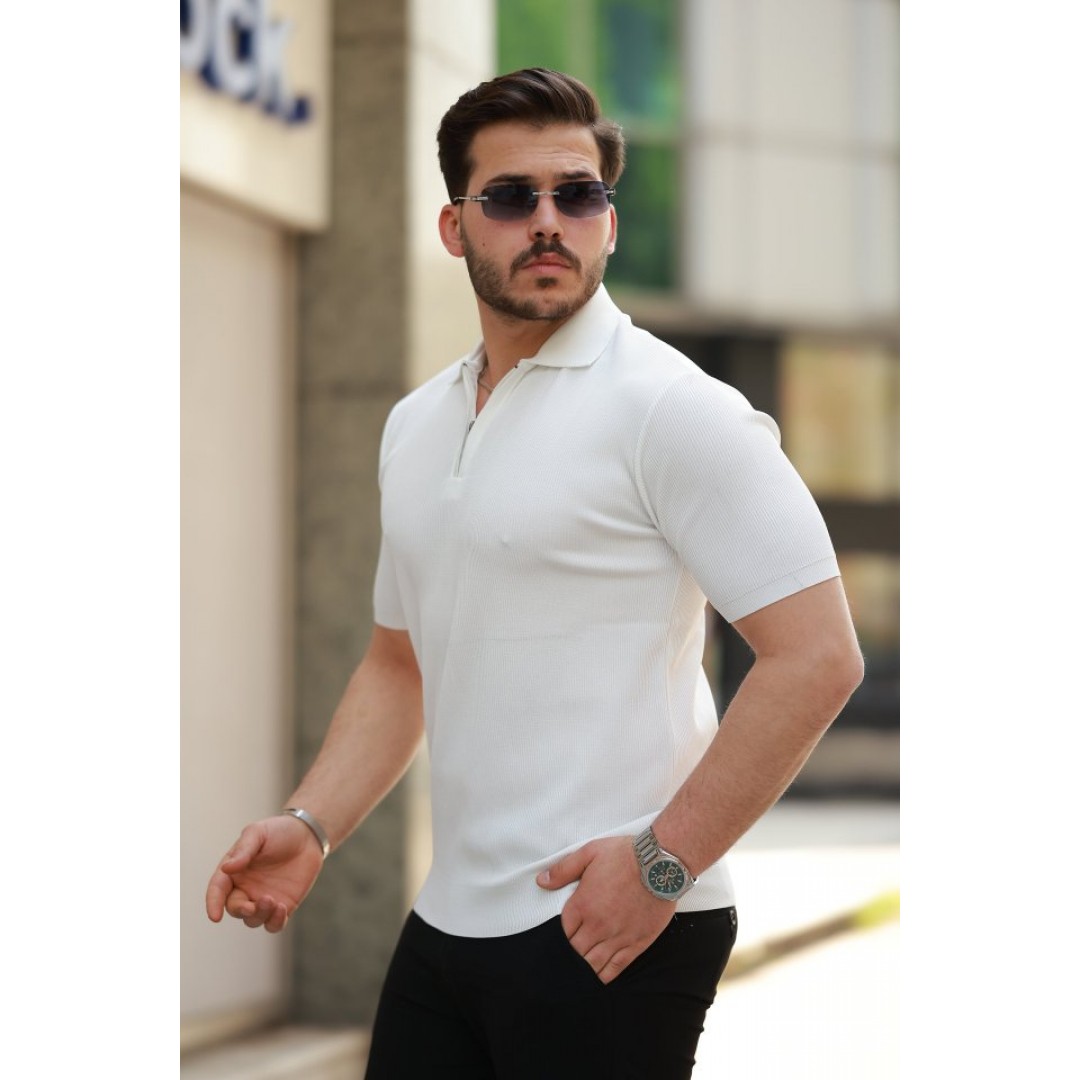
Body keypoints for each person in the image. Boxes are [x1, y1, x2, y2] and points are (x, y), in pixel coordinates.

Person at [206, 67, 864, 1079]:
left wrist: (661, 864)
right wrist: (312, 824)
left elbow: (816, 657)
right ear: (454, 225)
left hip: (612, 915)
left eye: (578, 194)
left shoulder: (673, 408)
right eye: (512, 197)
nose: (549, 221)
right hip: (449, 918)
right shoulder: (416, 424)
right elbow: (399, 663)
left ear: (609, 221)